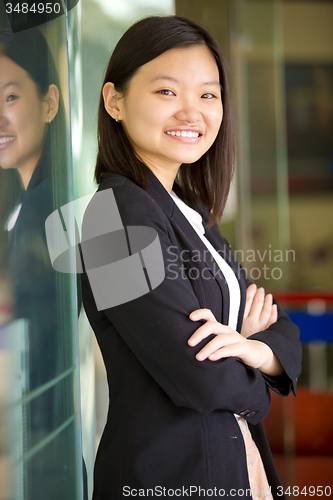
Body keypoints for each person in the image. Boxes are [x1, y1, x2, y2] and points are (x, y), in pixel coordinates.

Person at [81, 16, 302, 500]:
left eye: (207, 94)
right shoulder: (112, 220)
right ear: (114, 101)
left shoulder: (189, 211)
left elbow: (281, 326)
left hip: (231, 462)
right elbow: (201, 378)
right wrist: (258, 373)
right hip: (166, 476)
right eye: (166, 92)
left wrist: (256, 348)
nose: (192, 113)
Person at [0, 26, 86, 500]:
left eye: (10, 96)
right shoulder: (29, 205)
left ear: (50, 102)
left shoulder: (59, 209)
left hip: (38, 450)